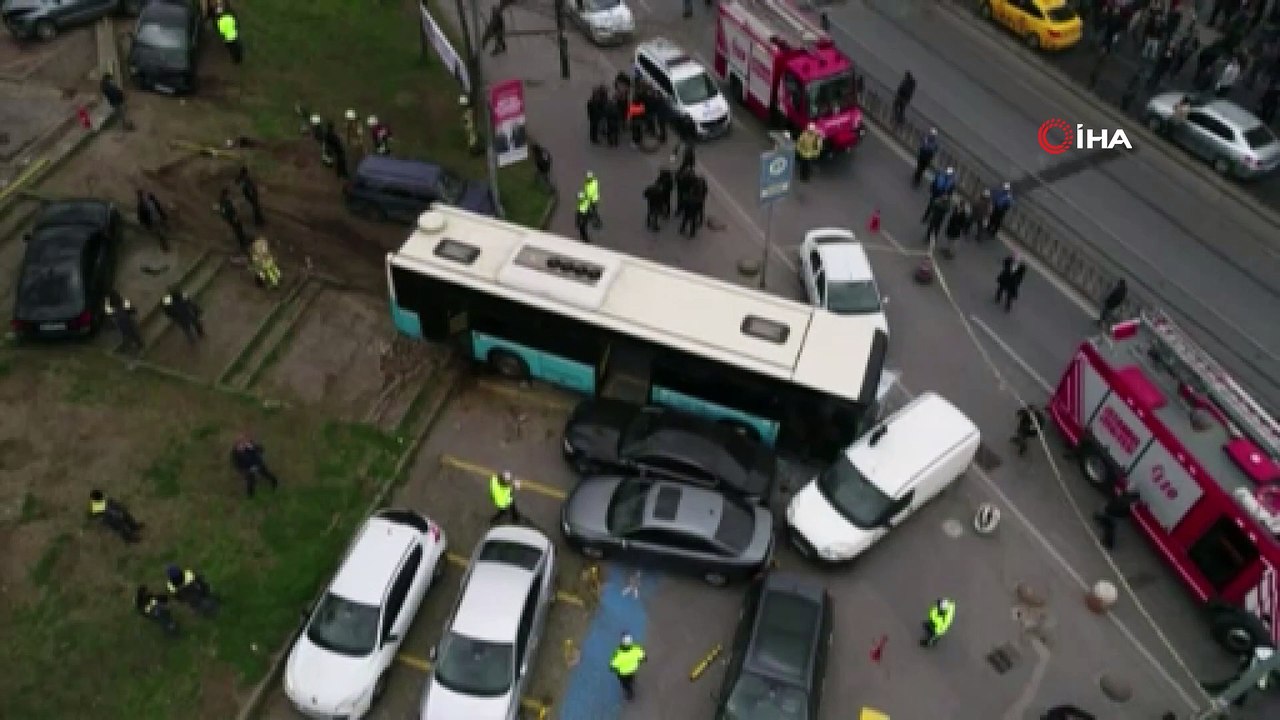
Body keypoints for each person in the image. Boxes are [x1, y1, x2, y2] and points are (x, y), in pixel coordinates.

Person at [610, 633, 646, 701]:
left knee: (625, 685)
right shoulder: (636, 649)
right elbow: (643, 657)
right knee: (631, 677)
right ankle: (632, 681)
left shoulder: (618, 653)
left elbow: (612, 665)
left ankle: (630, 693)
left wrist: (613, 668)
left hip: (623, 673)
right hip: (632, 669)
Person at [216, 187, 249, 253]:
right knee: (238, 229)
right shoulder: (226, 202)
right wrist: (234, 217)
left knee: (238, 229)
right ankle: (243, 242)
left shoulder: (222, 201)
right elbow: (229, 210)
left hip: (230, 218)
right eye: (228, 194)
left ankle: (243, 240)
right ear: (226, 194)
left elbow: (223, 211)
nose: (229, 195)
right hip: (232, 218)